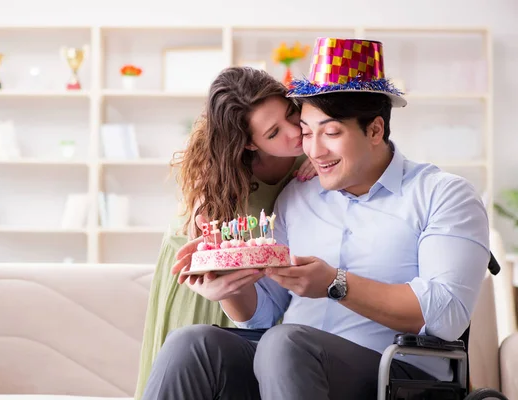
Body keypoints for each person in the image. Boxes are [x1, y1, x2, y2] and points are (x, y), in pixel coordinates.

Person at [142, 38, 490, 400]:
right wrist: (232, 284)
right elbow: (261, 315)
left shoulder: (444, 195)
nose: (313, 149)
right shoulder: (297, 196)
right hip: (286, 363)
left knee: (285, 342)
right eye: (307, 132)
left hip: (394, 373)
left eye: (331, 132)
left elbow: (447, 316)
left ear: (374, 130)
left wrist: (334, 284)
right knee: (193, 343)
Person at [134, 66, 318, 398]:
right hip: (207, 273)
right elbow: (203, 239)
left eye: (292, 114)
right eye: (274, 133)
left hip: (265, 288)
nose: (294, 133)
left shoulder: (314, 146)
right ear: (248, 143)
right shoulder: (219, 171)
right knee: (193, 368)